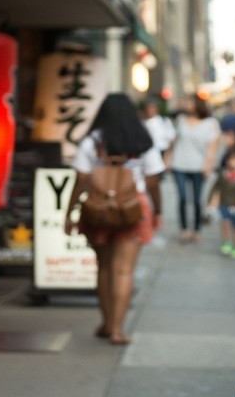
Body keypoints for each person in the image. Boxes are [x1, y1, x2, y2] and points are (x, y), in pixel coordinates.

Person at [64, 93, 164, 346]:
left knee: (104, 268)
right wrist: (157, 211)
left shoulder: (93, 141)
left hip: (97, 207)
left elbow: (81, 180)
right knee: (124, 270)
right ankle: (118, 330)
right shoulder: (142, 141)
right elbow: (153, 181)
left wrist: (70, 212)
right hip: (133, 208)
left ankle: (107, 323)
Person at [167, 93, 221, 243]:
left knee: (197, 199)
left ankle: (196, 229)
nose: (186, 105)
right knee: (183, 198)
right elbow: (174, 141)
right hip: (179, 164)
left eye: (189, 102)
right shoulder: (181, 120)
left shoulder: (211, 123)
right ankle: (184, 229)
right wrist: (167, 159)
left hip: (199, 166)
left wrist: (208, 166)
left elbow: (213, 147)